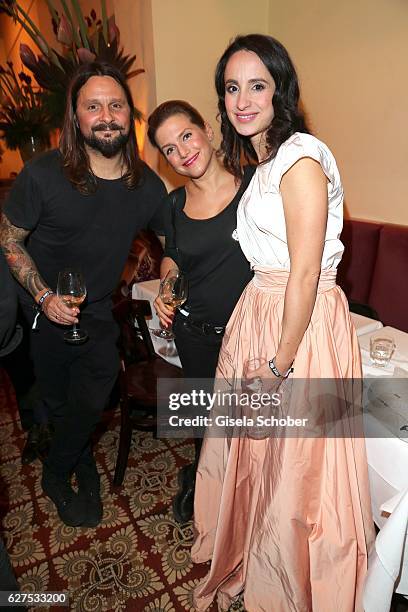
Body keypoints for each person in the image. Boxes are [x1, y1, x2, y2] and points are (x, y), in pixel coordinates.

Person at [191, 35, 375, 611]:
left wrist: (276, 366)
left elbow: (303, 275)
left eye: (257, 85)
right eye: (231, 87)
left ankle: (293, 580)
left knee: (298, 467)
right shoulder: (267, 160)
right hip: (264, 316)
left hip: (299, 330)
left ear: (280, 90)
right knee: (264, 459)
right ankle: (257, 553)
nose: (242, 100)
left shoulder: (300, 157)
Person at [0, 61, 167, 528]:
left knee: (94, 395)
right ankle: (82, 462)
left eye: (115, 105)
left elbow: (172, 239)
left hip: (94, 313)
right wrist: (42, 295)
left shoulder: (145, 185)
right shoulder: (42, 175)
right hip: (43, 312)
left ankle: (56, 473)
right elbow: (9, 238)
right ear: (76, 118)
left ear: (128, 114)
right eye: (93, 106)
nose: (106, 115)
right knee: (56, 400)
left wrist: (172, 278)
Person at [147, 100, 254, 522]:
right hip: (195, 335)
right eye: (169, 149)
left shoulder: (253, 188)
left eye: (186, 136)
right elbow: (172, 257)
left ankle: (242, 501)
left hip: (247, 336)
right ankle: (204, 484)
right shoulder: (173, 205)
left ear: (206, 129)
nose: (182, 152)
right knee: (204, 423)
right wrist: (167, 290)